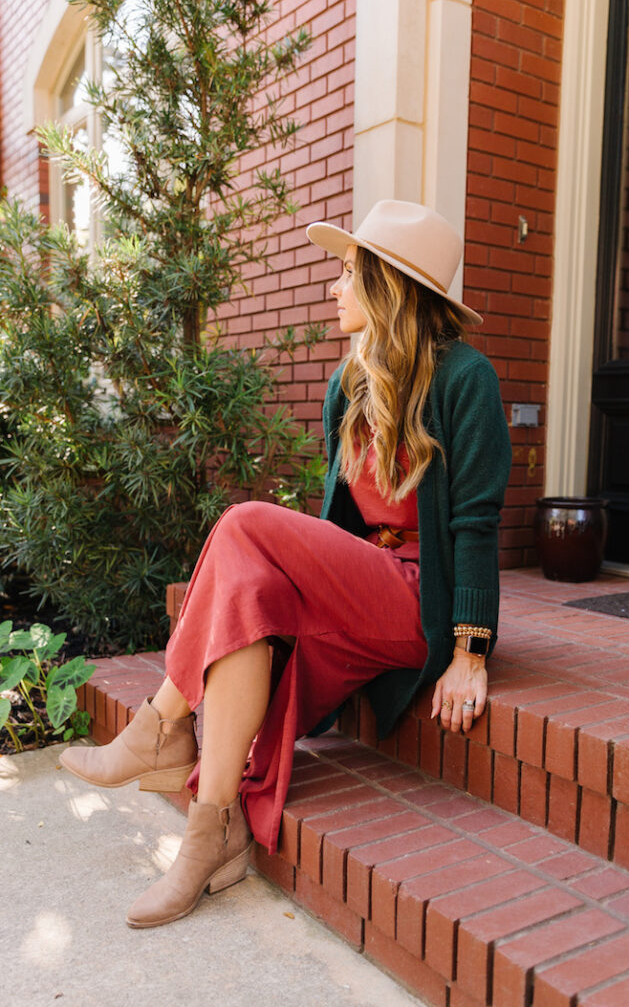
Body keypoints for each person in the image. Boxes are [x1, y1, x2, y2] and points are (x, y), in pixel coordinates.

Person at [60, 199, 512, 929]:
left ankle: (159, 727)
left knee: (243, 522)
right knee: (250, 599)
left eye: (346, 272)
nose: (333, 287)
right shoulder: (348, 386)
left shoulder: (466, 378)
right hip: (363, 585)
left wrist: (471, 650)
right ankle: (212, 836)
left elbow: (476, 522)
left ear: (388, 286)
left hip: (418, 599)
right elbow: (339, 526)